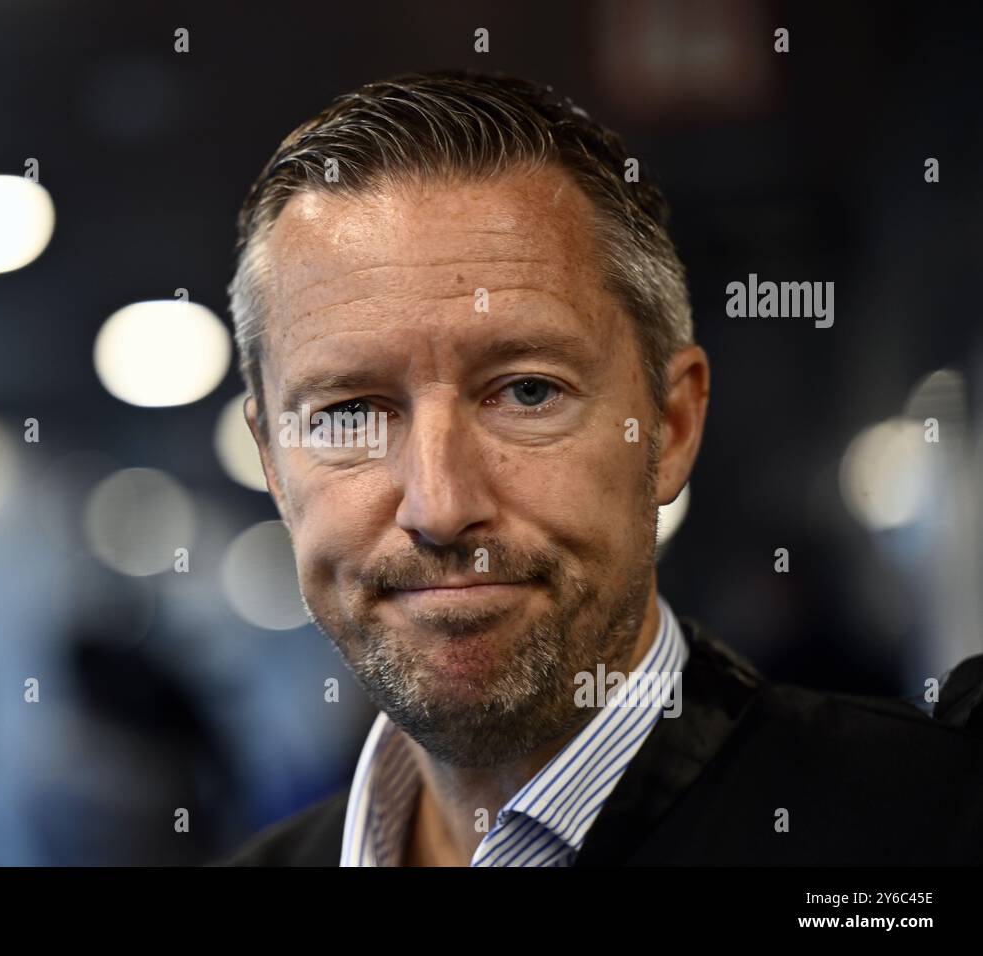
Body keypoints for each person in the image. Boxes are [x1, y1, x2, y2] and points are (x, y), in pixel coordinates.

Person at [219, 69, 983, 866]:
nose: (440, 507)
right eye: (349, 413)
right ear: (273, 462)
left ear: (672, 425)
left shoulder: (935, 831)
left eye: (526, 391)